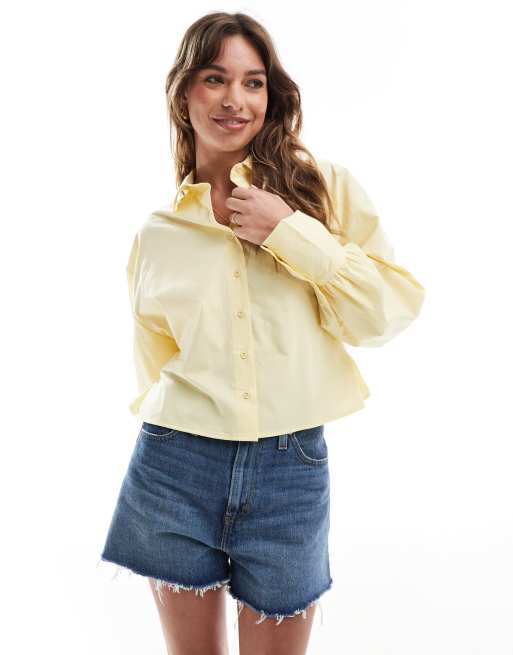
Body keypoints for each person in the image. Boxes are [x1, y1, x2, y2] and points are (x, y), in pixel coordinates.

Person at [98, 11, 425, 655]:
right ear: (183, 94)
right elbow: (152, 366)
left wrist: (290, 233)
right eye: (214, 79)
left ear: (271, 96)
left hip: (289, 468)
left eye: (253, 82)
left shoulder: (321, 189)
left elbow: (387, 313)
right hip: (174, 462)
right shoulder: (159, 234)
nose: (235, 99)